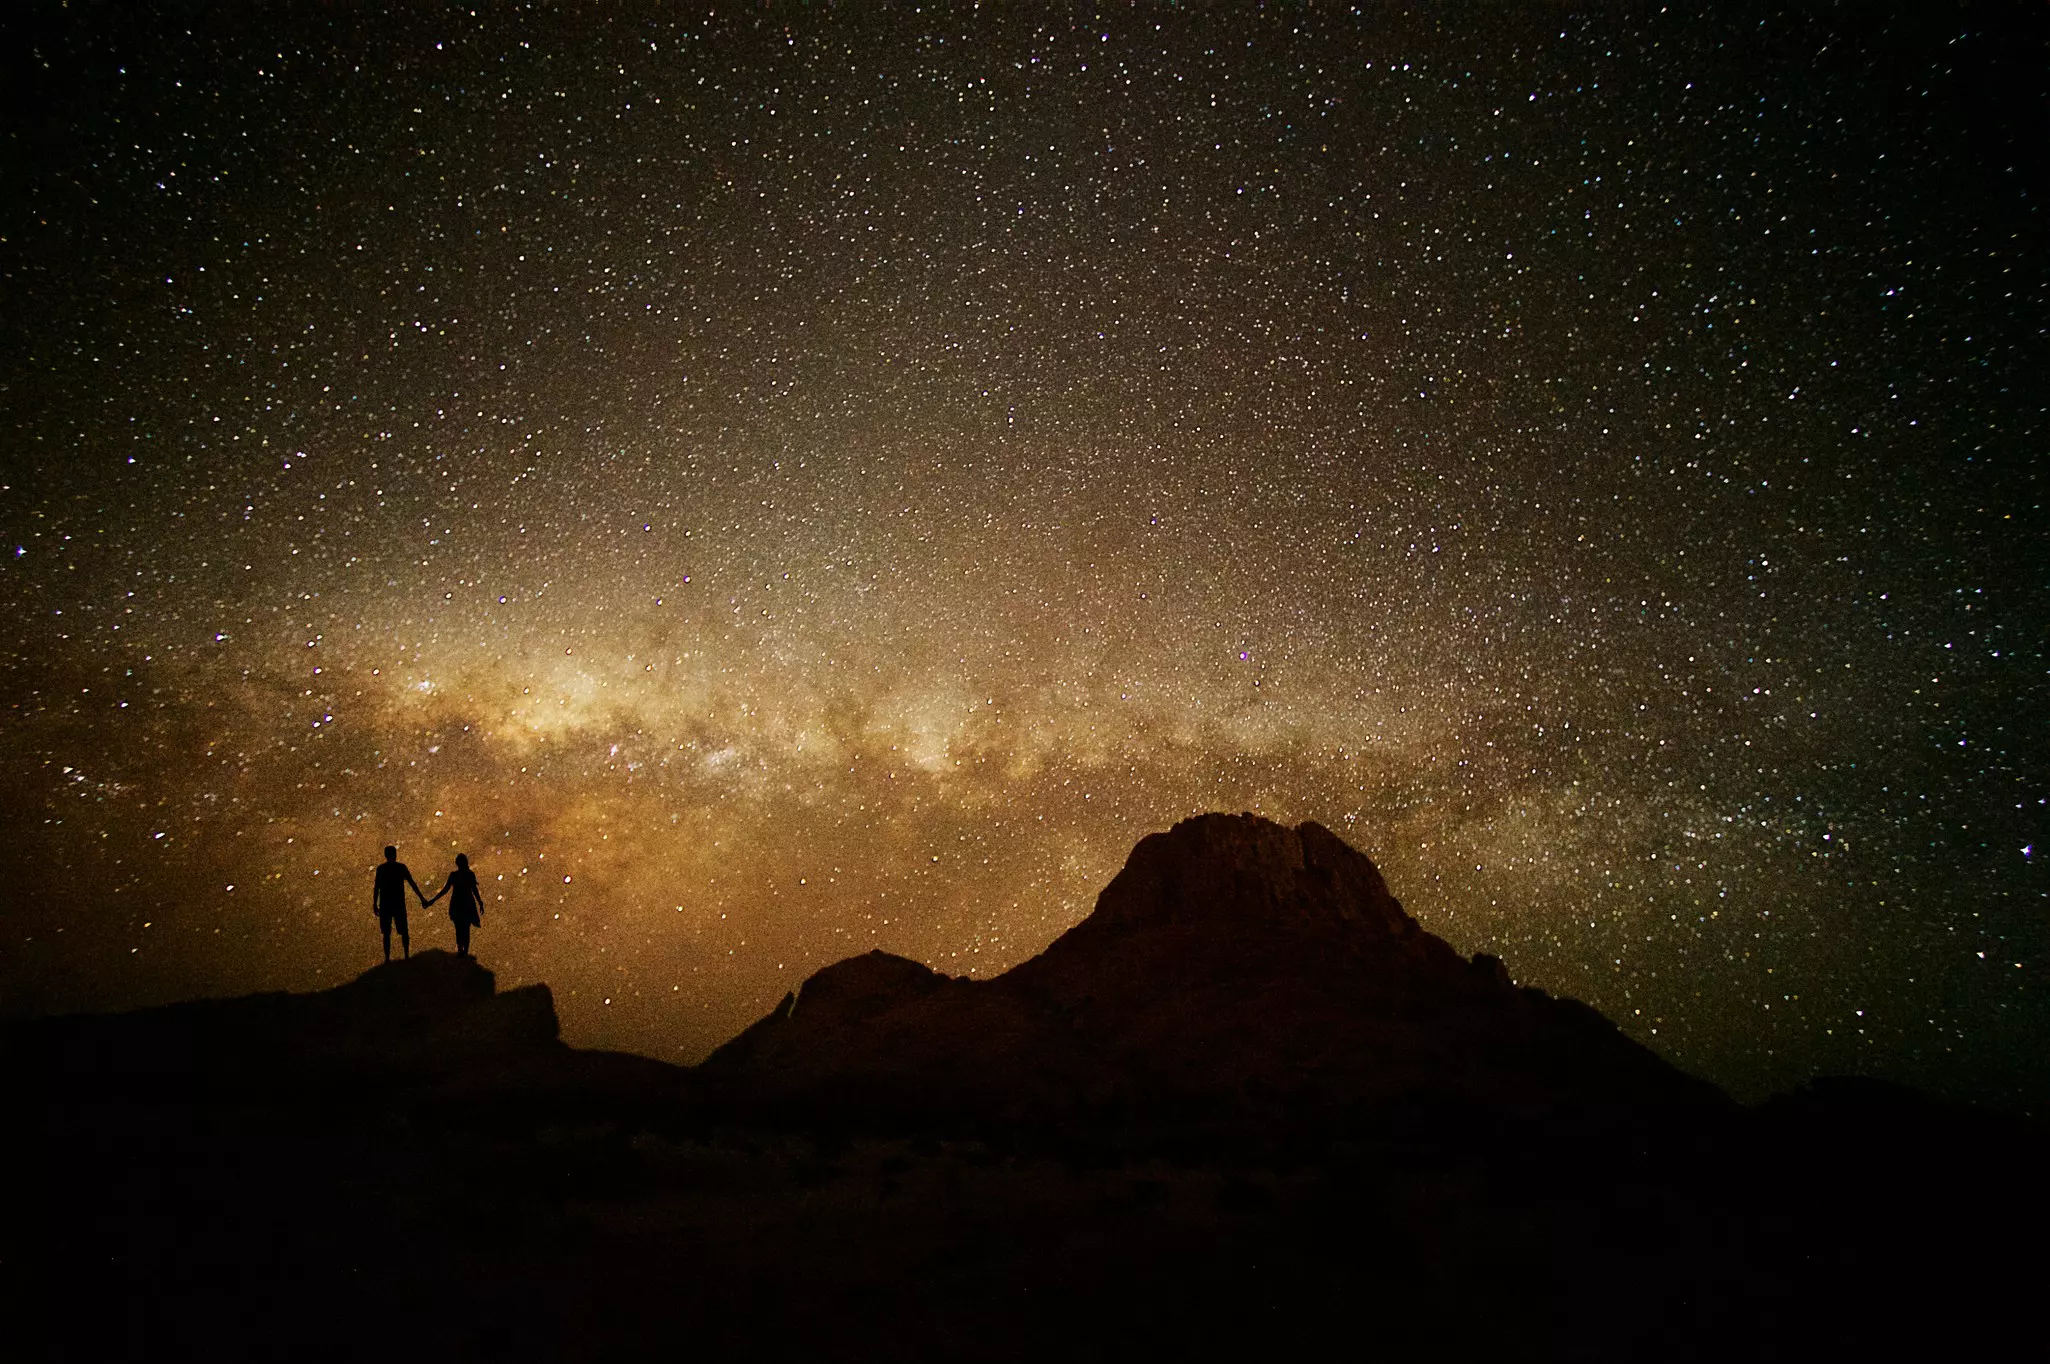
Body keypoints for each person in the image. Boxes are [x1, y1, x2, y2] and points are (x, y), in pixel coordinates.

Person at [371, 845, 427, 961]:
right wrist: (421, 898)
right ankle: (404, 955)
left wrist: (374, 904)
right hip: (396, 904)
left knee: (388, 932)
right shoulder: (400, 868)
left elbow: (377, 888)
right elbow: (412, 883)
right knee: (400, 931)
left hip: (387, 904)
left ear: (385, 855)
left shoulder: (382, 869)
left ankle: (390, 958)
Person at [425, 853, 484, 957]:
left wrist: (433, 900)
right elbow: (473, 890)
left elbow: (446, 890)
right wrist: (480, 902)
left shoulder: (457, 875)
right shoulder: (468, 874)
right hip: (465, 903)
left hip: (459, 903)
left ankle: (462, 950)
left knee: (461, 928)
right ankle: (463, 950)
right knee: (464, 928)